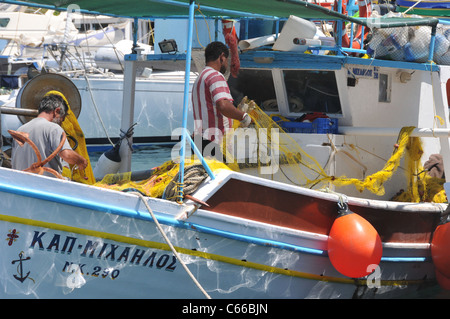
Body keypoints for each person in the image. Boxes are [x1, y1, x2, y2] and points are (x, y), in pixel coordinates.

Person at [192, 41, 251, 159]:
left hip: (200, 142)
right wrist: (243, 117)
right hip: (214, 144)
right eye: (227, 60)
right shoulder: (216, 76)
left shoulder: (200, 78)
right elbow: (223, 106)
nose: (227, 64)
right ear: (222, 57)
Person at [11, 94, 88, 178]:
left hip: (20, 183)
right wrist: (81, 161)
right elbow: (67, 155)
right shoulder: (54, 128)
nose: (61, 123)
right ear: (57, 111)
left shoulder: (20, 130)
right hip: (45, 185)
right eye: (62, 119)